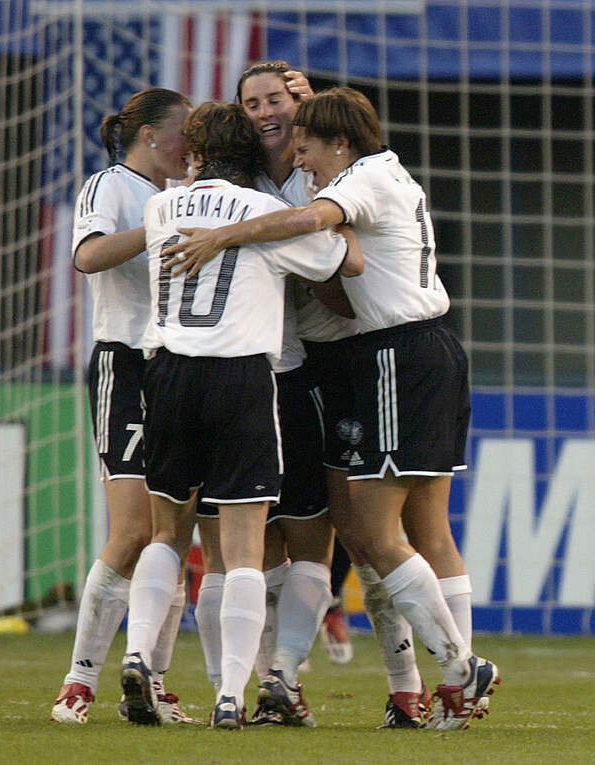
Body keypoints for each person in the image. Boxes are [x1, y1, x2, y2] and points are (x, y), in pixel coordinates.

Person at [164, 86, 499, 731]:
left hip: (394, 354)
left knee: (376, 533)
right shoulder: (370, 174)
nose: (299, 157)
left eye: (306, 144)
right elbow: (345, 280)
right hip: (402, 352)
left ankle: (458, 671)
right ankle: (439, 687)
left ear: (338, 141)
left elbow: (316, 227)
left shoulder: (360, 180)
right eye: (254, 103)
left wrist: (225, 237)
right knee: (397, 531)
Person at [118, 101, 357, 730]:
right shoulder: (262, 213)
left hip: (168, 374)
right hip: (240, 378)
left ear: (196, 153)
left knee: (168, 533)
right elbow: (339, 262)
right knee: (244, 549)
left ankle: (138, 654)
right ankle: (230, 694)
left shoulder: (161, 207)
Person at [50, 87, 197, 726]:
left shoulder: (188, 193)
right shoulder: (110, 185)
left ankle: (153, 683)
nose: (191, 144)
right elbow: (87, 256)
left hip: (182, 368)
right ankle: (78, 681)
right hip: (126, 365)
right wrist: (158, 228)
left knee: (174, 537)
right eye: (184, 131)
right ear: (149, 135)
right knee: (134, 531)